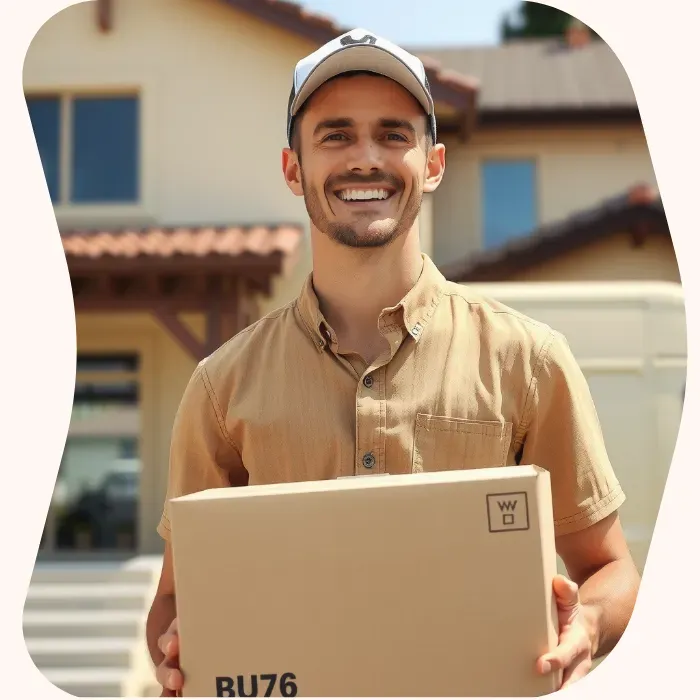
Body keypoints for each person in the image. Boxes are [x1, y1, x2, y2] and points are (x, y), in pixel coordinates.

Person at [147, 28, 640, 697]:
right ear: (294, 170)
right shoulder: (220, 389)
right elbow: (176, 602)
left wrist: (584, 621)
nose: (366, 158)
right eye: (336, 135)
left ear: (433, 164)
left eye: (393, 134)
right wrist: (175, 651)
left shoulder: (528, 362)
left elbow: (610, 570)